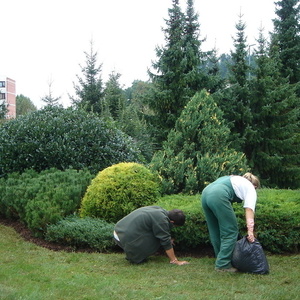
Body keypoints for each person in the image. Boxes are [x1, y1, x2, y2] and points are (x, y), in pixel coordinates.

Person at [201, 172, 260, 272]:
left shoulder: (234, 178)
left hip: (205, 193)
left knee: (215, 229)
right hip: (218, 195)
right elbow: (249, 210)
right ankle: (223, 264)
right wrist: (250, 231)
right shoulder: (250, 188)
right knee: (231, 230)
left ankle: (220, 257)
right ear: (255, 186)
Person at [114, 206, 189, 265]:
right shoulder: (161, 219)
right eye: (174, 226)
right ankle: (135, 256)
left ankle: (136, 253)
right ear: (172, 222)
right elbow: (165, 240)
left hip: (118, 229)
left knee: (160, 236)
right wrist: (174, 260)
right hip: (122, 236)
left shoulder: (159, 210)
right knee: (159, 240)